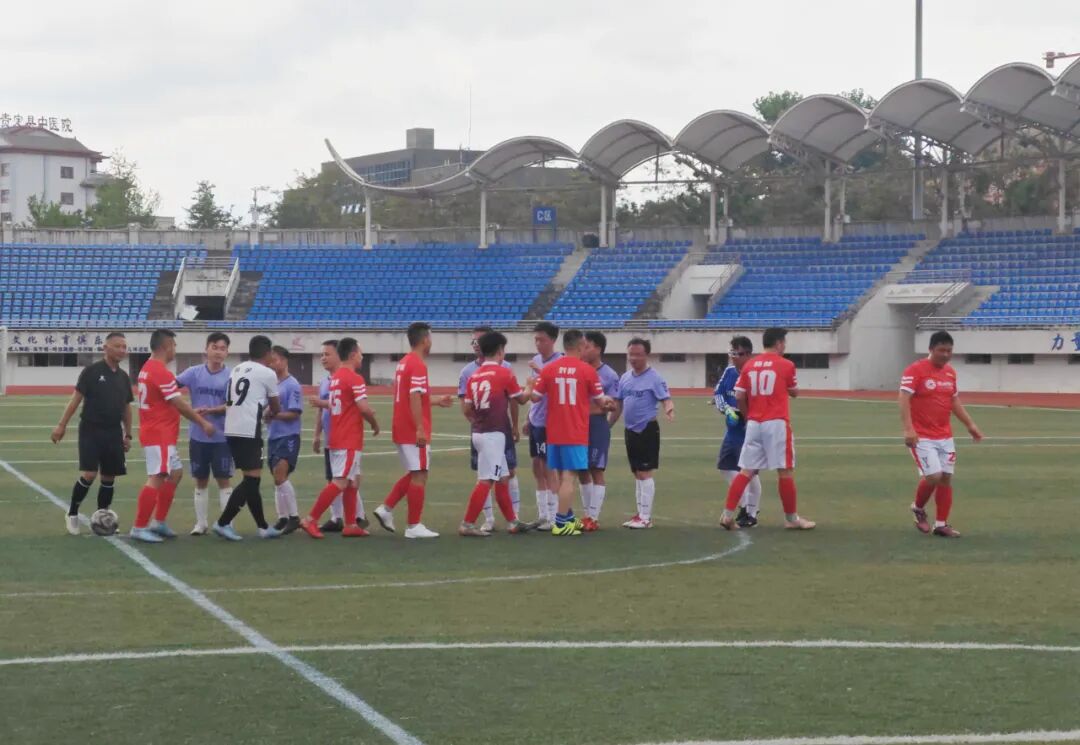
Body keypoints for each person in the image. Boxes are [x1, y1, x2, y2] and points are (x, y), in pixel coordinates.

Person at [721, 327, 815, 531]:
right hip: (776, 423)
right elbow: (794, 392)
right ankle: (791, 518)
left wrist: (748, 416)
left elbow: (739, 396)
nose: (784, 346)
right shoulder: (786, 364)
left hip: (754, 423)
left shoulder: (749, 365)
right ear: (779, 343)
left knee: (745, 471)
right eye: (784, 343)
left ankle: (727, 515)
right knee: (785, 471)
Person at [131, 329, 216, 543]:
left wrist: (191, 413)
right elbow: (178, 403)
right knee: (158, 476)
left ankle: (158, 521)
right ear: (166, 346)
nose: (175, 350)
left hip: (160, 432)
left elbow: (167, 402)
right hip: (158, 433)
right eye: (174, 345)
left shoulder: (148, 368)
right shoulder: (160, 371)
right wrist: (203, 422)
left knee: (175, 473)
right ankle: (139, 527)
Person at [373, 322, 454, 539]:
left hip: (401, 425)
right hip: (412, 428)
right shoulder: (418, 364)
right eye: (430, 338)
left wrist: (437, 401)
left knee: (415, 472)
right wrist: (419, 428)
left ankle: (387, 508)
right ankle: (413, 525)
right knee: (420, 474)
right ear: (425, 340)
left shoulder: (404, 363)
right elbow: (414, 396)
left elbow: (414, 395)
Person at [530, 329, 615, 536]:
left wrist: (529, 386)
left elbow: (535, 397)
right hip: (575, 431)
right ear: (580, 346)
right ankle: (561, 523)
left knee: (560, 475)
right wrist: (608, 403)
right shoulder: (587, 371)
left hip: (554, 431)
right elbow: (600, 400)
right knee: (570, 476)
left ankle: (567, 517)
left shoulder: (549, 369)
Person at [899, 330, 983, 537]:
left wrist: (970, 425)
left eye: (949, 351)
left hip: (945, 436)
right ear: (931, 349)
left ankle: (941, 524)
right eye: (941, 350)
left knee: (945, 477)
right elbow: (903, 397)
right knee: (933, 476)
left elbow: (953, 401)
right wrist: (908, 429)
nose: (946, 354)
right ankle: (918, 508)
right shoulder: (915, 370)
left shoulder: (950, 373)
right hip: (921, 436)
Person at [51, 332, 134, 535]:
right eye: (117, 346)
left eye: (124, 347)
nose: (122, 350)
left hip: (113, 431)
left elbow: (126, 408)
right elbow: (75, 400)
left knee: (109, 477)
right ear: (105, 348)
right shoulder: (92, 372)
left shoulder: (124, 377)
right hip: (91, 429)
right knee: (89, 473)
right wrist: (61, 425)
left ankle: (102, 517)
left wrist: (128, 434)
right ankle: (72, 513)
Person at [302, 337, 380, 539]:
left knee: (352, 481)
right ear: (353, 355)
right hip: (348, 438)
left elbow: (338, 404)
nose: (362, 357)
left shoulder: (336, 378)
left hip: (337, 435)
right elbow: (363, 408)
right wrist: (374, 423)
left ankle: (350, 524)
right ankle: (310, 519)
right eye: (360, 353)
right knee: (341, 482)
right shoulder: (354, 378)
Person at [459, 331, 533, 536]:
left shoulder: (474, 376)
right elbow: (521, 399)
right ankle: (467, 524)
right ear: (500, 351)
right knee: (486, 480)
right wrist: (530, 386)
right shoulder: (504, 373)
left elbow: (467, 408)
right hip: (494, 434)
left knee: (502, 477)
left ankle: (512, 522)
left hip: (479, 432)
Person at [212, 335, 283, 541]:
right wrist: (270, 412)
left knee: (251, 479)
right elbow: (276, 406)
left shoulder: (237, 368)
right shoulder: (268, 373)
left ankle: (263, 527)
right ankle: (223, 523)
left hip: (231, 427)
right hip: (249, 428)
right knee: (252, 480)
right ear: (268, 353)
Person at [612, 337, 674, 529]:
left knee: (645, 473)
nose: (634, 358)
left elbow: (666, 398)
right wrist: (608, 425)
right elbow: (618, 404)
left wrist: (669, 409)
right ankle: (639, 514)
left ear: (646, 355)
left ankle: (646, 518)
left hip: (647, 429)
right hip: (630, 430)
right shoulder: (625, 378)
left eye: (638, 354)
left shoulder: (655, 377)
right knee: (637, 473)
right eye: (631, 354)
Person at [175, 332, 234, 536]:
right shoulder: (193, 372)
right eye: (214, 347)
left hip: (222, 437)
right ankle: (201, 523)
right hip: (198, 436)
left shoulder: (232, 376)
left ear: (227, 353)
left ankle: (226, 523)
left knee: (224, 480)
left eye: (222, 348)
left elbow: (234, 404)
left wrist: (211, 410)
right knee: (200, 480)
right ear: (206, 350)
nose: (218, 352)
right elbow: (170, 388)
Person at [309, 340, 356, 532]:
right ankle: (337, 518)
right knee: (335, 478)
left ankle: (357, 518)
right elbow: (322, 411)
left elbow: (344, 405)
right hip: (332, 437)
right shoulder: (325, 382)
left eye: (327, 354)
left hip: (345, 437)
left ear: (339, 355)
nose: (323, 358)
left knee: (347, 478)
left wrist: (321, 403)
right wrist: (316, 435)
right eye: (322, 355)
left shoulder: (345, 379)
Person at [715, 336, 762, 528]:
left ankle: (751, 512)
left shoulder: (755, 375)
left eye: (738, 353)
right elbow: (718, 393)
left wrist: (746, 415)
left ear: (748, 354)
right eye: (731, 353)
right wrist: (726, 409)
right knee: (725, 466)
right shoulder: (729, 372)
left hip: (749, 428)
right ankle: (744, 504)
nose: (734, 357)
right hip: (732, 428)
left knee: (750, 472)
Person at [577, 331, 620, 531]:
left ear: (598, 349)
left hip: (596, 425)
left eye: (587, 346)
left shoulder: (609, 375)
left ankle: (593, 517)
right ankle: (587, 514)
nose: (583, 350)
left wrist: (605, 421)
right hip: (577, 425)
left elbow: (613, 404)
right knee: (581, 470)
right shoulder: (577, 370)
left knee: (596, 470)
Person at [523, 321, 563, 530]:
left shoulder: (560, 362)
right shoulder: (537, 360)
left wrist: (540, 370)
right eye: (536, 339)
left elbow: (556, 386)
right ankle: (543, 514)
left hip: (551, 422)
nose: (538, 344)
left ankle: (555, 516)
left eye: (542, 340)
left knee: (549, 467)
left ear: (553, 340)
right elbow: (534, 391)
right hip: (536, 420)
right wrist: (528, 418)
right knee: (536, 466)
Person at [266, 345, 304, 534]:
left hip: (288, 436)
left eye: (275, 360)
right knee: (277, 477)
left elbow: (294, 413)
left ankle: (294, 517)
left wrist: (273, 415)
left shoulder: (292, 384)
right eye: (270, 361)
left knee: (280, 476)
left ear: (284, 360)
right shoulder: (272, 384)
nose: (271, 364)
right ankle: (282, 517)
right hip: (273, 436)